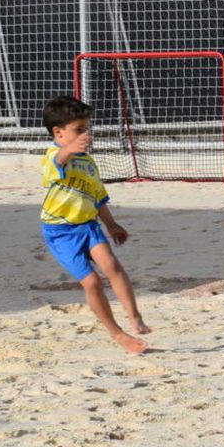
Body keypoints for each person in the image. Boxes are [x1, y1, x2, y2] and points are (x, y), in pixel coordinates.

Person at [40, 95, 151, 355]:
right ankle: (118, 334)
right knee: (92, 282)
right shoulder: (53, 156)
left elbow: (98, 197)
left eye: (86, 129)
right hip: (60, 232)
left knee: (111, 265)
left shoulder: (88, 163)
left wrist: (111, 224)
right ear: (58, 133)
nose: (86, 135)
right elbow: (59, 159)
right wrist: (70, 148)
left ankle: (134, 316)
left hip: (88, 226)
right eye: (78, 130)